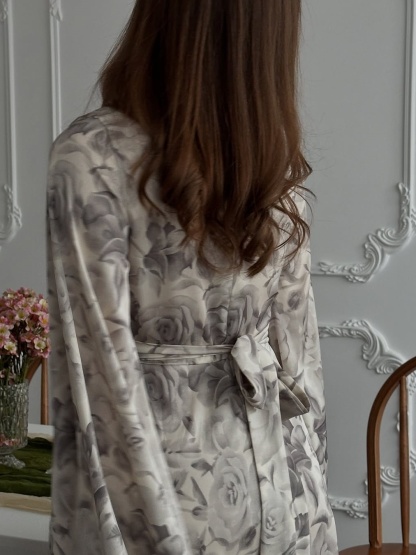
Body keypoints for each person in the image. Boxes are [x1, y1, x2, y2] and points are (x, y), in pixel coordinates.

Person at [47, 1, 338, 554]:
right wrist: (313, 508)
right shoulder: (270, 158)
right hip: (276, 486)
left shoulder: (92, 157)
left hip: (181, 498)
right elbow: (302, 369)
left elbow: (96, 382)